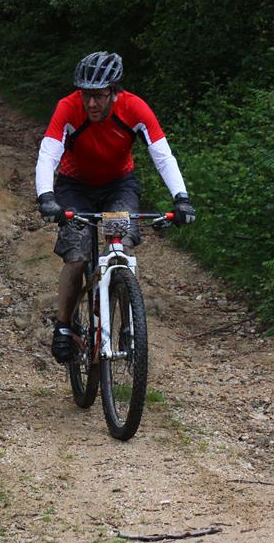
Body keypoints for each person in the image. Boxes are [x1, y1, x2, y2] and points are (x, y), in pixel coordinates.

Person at [35, 51, 196, 363]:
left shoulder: (134, 108)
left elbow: (162, 155)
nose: (91, 103)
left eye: (99, 95)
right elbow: (48, 153)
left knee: (120, 249)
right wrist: (46, 196)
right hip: (75, 186)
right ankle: (64, 326)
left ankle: (125, 323)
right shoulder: (68, 107)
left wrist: (182, 197)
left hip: (119, 185)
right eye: (86, 95)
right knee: (77, 257)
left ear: (114, 91)